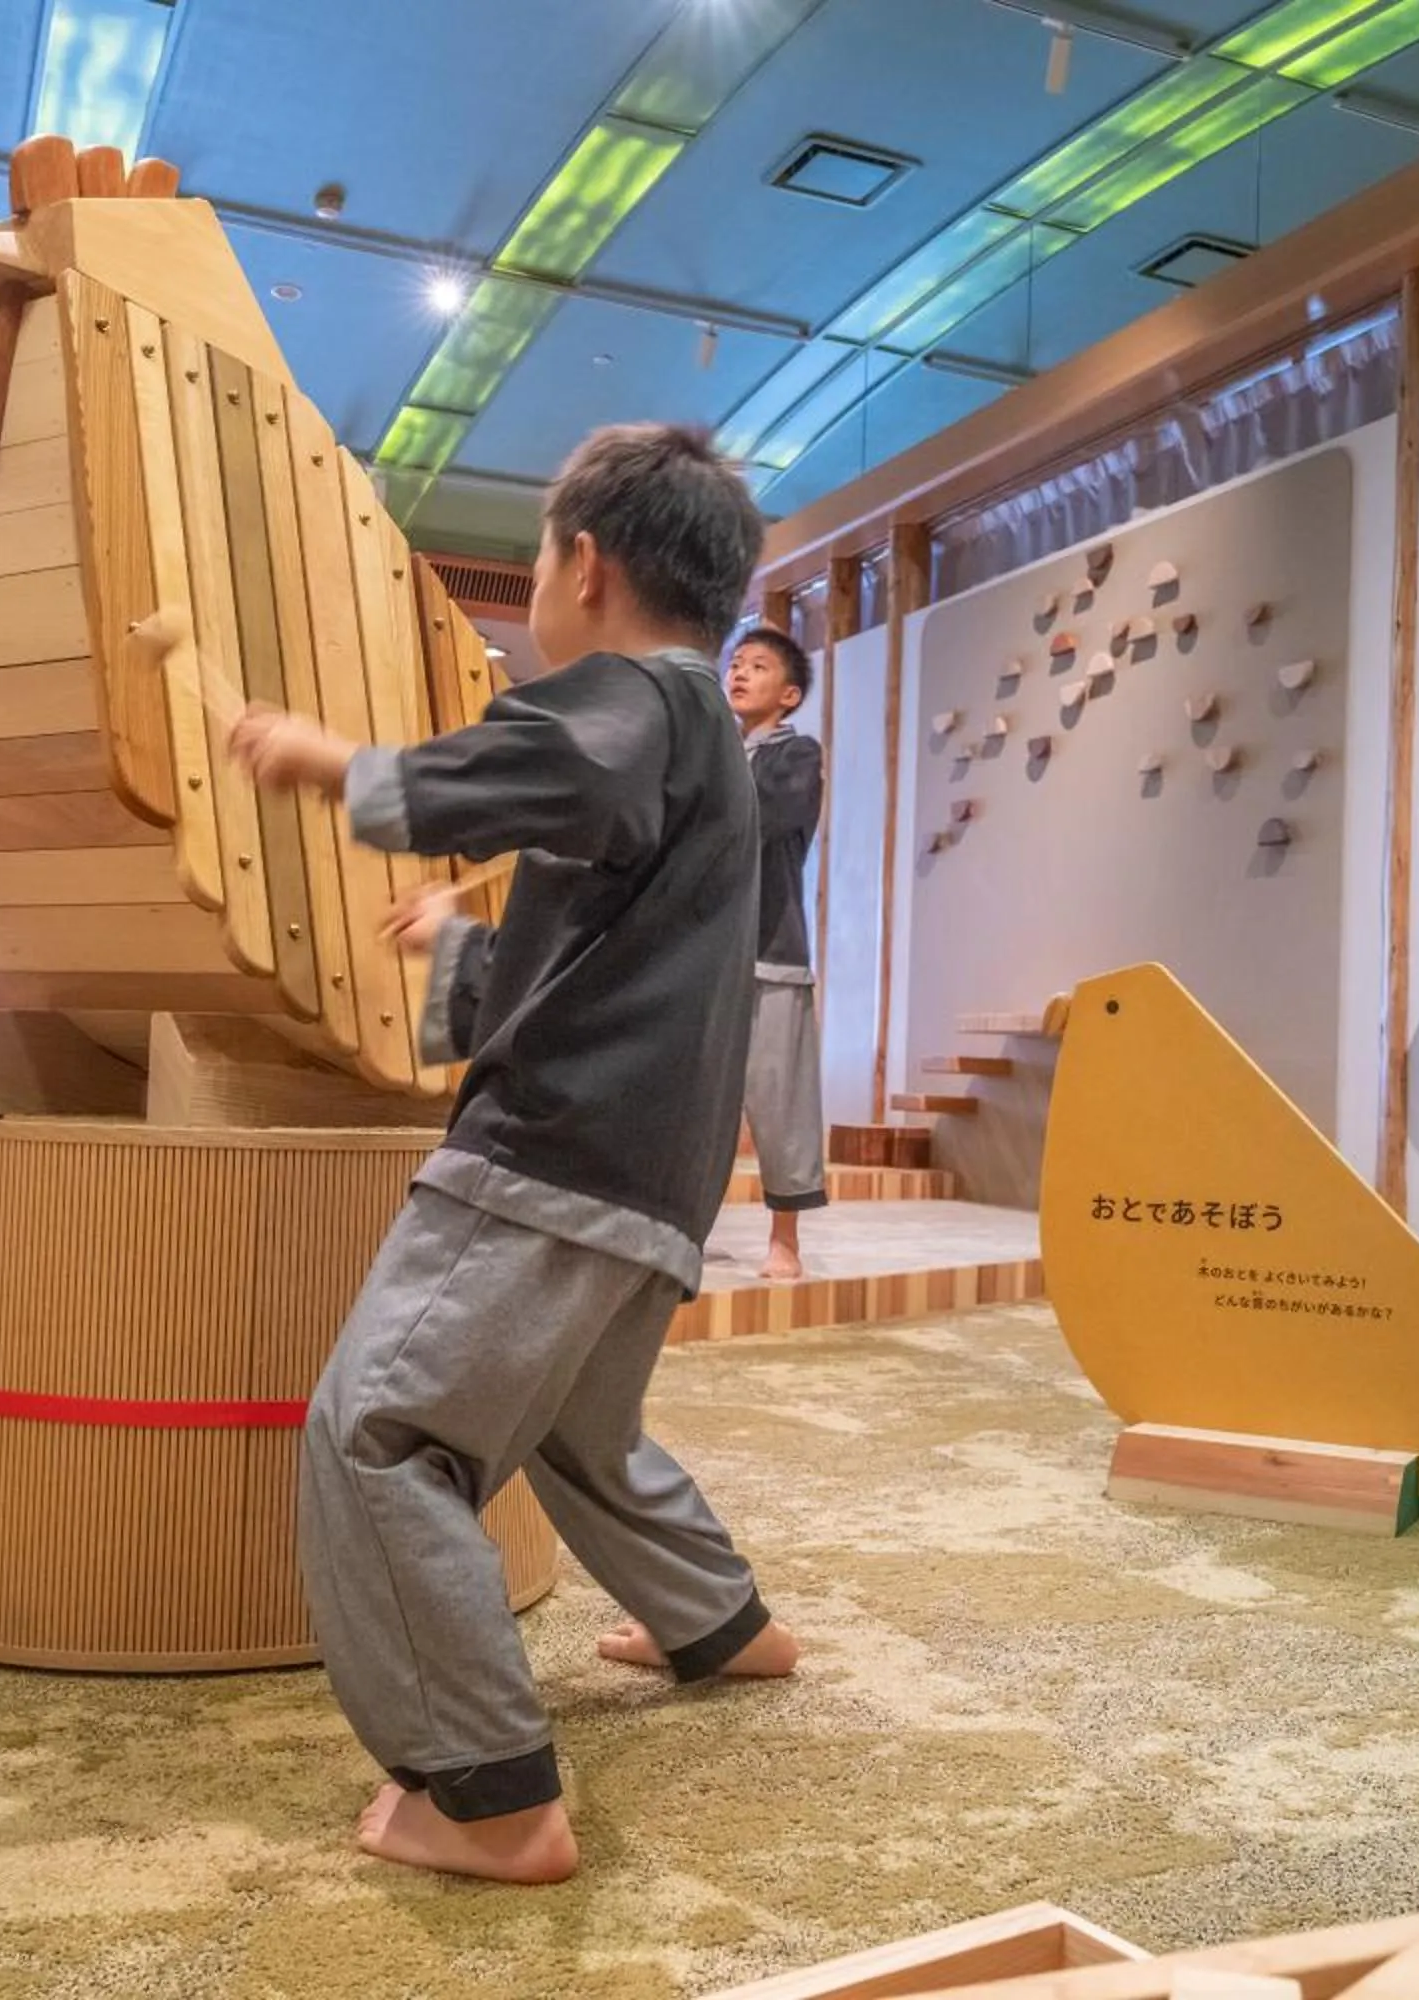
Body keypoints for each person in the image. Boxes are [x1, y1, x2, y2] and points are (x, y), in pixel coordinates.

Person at [226, 423, 800, 1887]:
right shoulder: (702, 746)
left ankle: (488, 1795)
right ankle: (723, 1627)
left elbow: (575, 762)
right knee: (574, 1428)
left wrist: (339, 770)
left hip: (558, 1159)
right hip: (650, 1174)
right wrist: (465, 952)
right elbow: (613, 963)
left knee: (383, 1435)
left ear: (583, 564)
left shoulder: (641, 703)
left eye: (542, 561)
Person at [724, 625, 827, 1280]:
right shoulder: (720, 756)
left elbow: (763, 819)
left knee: (779, 1098)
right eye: (734, 663)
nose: (738, 673)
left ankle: (785, 1239)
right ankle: (677, 1228)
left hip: (772, 949)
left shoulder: (798, 755)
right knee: (694, 1104)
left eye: (756, 666)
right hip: (711, 955)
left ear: (787, 695)